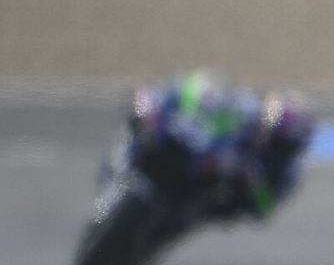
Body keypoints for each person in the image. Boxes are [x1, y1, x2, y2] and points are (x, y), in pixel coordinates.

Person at [113, 70, 314, 221]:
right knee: (148, 125)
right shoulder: (245, 110)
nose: (273, 145)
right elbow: (202, 100)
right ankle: (117, 177)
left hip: (214, 193)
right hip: (195, 153)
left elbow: (265, 208)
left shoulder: (287, 171)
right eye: (273, 137)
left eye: (281, 144)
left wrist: (251, 182)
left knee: (194, 213)